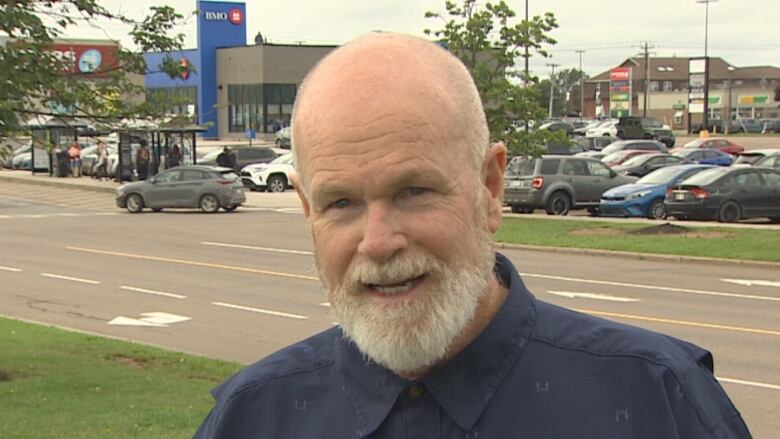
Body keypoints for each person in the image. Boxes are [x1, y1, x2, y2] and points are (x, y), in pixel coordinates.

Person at [195, 34, 750, 438]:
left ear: (490, 186)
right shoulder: (251, 418)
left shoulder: (660, 403)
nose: (379, 241)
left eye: (413, 191)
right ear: (306, 208)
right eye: (342, 203)